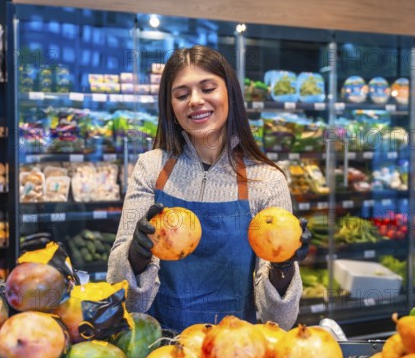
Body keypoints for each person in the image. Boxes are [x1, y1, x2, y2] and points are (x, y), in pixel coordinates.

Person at [107, 45, 310, 332]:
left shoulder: (267, 181)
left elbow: (280, 320)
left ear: (230, 93)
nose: (195, 101)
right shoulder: (150, 168)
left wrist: (283, 266)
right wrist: (136, 256)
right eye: (181, 94)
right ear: (170, 105)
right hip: (160, 348)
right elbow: (126, 301)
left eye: (207, 88)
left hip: (235, 350)